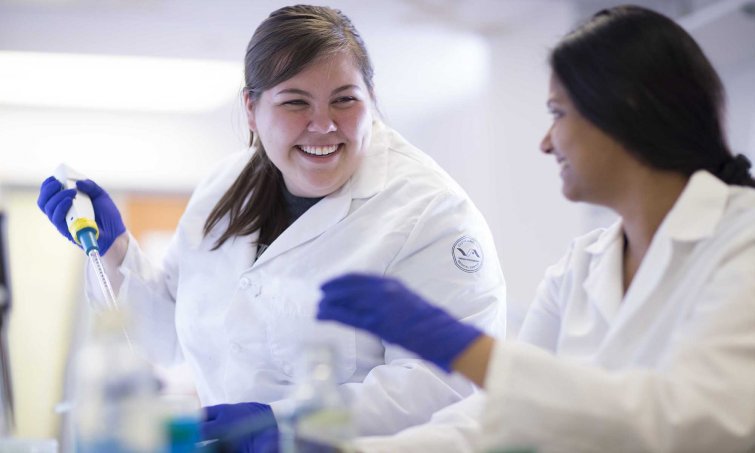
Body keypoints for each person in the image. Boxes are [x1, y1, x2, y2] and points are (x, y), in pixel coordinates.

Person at [36, 4, 506, 451]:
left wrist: (283, 423)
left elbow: (448, 384)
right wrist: (115, 250)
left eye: (344, 100)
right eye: (295, 102)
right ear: (251, 109)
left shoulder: (431, 212)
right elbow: (171, 339)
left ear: (372, 100)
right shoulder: (221, 190)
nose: (323, 125)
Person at [318, 5, 755, 453]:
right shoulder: (579, 268)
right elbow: (495, 421)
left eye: (558, 113)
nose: (546, 142)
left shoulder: (742, 240)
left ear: (627, 107)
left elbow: (701, 421)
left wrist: (467, 349)